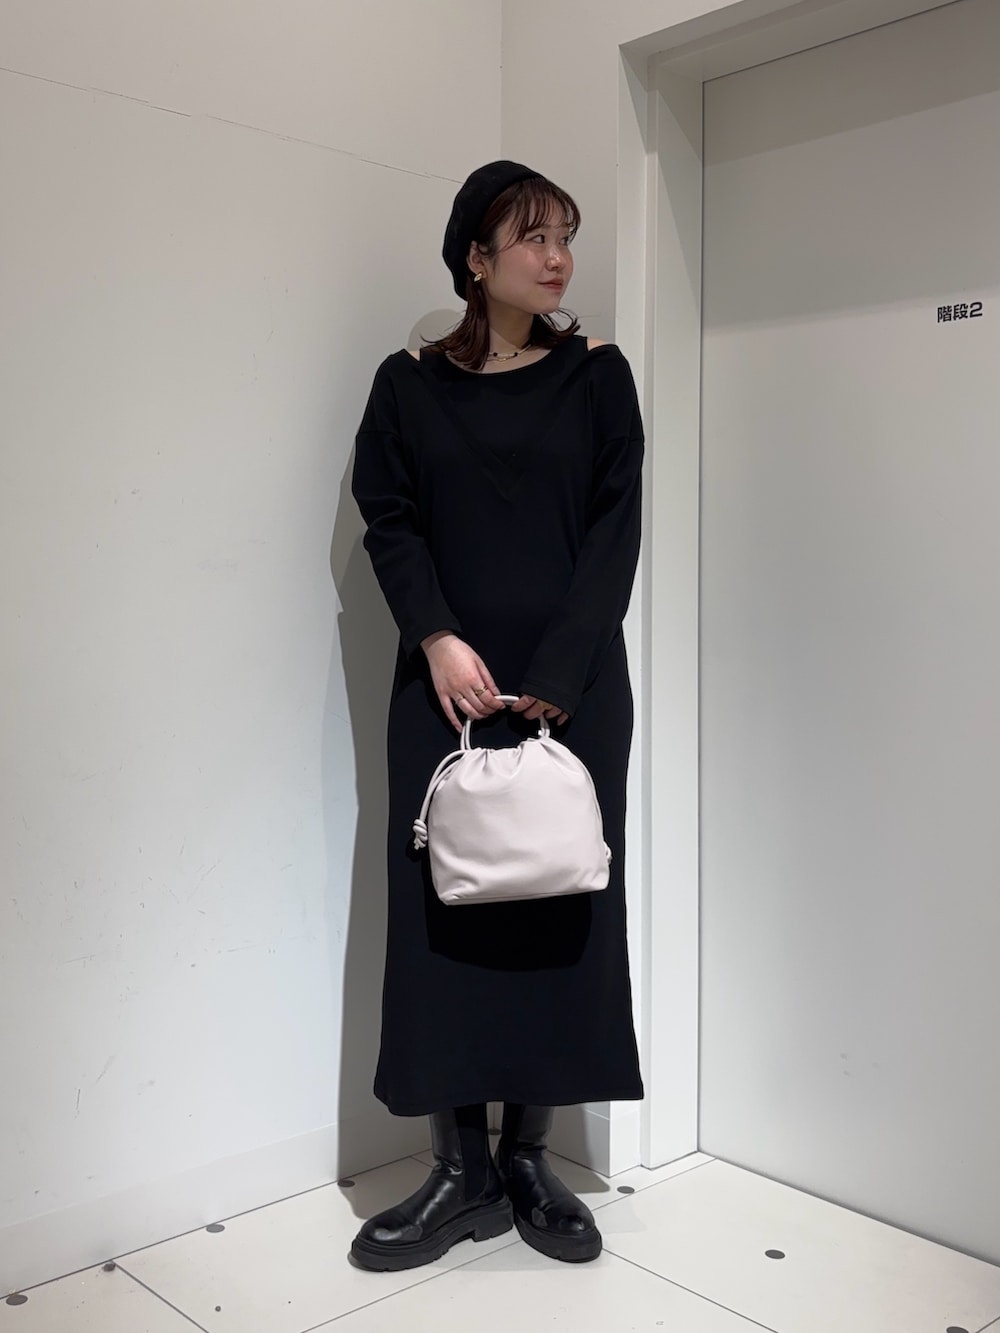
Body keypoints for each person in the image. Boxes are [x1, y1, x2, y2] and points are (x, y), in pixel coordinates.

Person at [349, 160, 644, 1272]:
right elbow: (389, 520)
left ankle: (528, 1159)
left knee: (559, 905)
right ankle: (457, 1170)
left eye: (566, 236)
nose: (558, 257)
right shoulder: (408, 385)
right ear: (475, 258)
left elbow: (615, 527)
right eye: (533, 237)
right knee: (445, 922)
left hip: (575, 688)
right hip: (446, 693)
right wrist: (434, 635)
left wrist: (562, 667)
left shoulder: (599, 378)